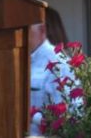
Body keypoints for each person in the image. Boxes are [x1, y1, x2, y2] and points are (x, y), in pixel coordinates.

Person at [28, 7, 76, 137]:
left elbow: (69, 119)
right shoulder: (21, 60)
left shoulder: (59, 63)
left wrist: (32, 116)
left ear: (42, 30)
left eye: (26, 29)